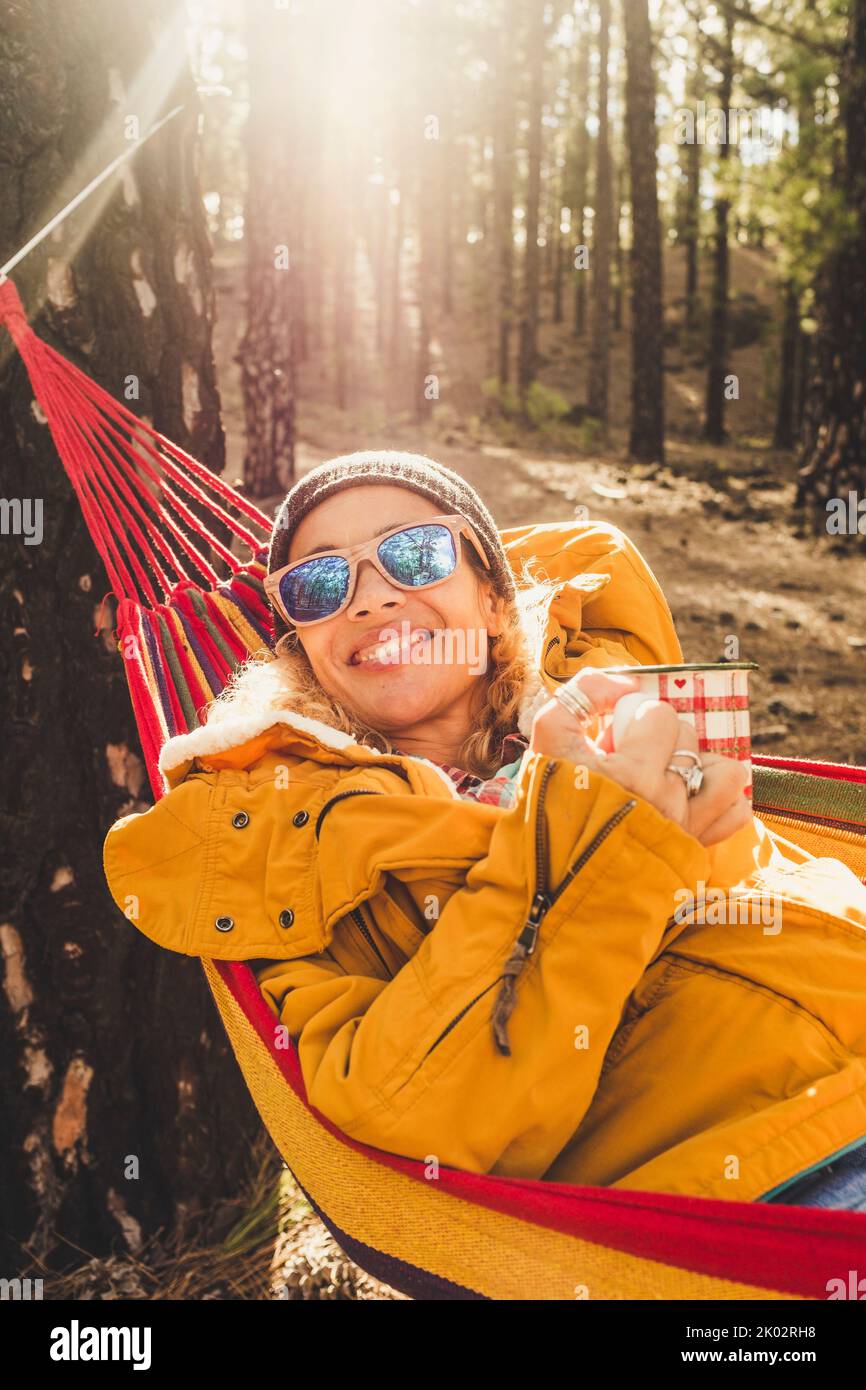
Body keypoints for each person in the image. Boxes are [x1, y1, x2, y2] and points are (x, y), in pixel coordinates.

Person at [103, 450, 866, 1207]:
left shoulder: (610, 706)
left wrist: (698, 814)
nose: (368, 601)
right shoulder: (284, 847)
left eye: (414, 551)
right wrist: (599, 840)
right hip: (773, 1175)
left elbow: (753, 888)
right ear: (300, 650)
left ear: (494, 601)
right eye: (320, 583)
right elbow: (404, 1114)